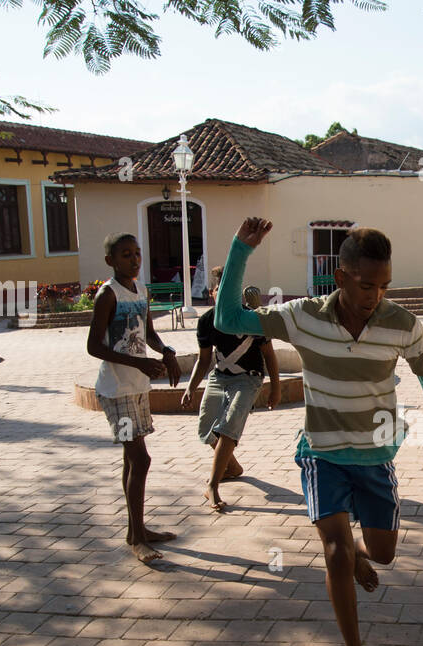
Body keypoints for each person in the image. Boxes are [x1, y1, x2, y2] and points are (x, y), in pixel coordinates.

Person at [216, 217, 423, 646]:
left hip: (375, 455)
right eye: (366, 284)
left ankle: (359, 551)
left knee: (381, 554)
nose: (375, 294)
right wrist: (240, 250)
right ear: (341, 276)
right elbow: (228, 319)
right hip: (322, 453)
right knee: (335, 551)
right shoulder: (303, 316)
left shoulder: (403, 325)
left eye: (384, 285)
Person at [85, 232, 182, 564]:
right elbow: (94, 346)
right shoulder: (106, 295)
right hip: (116, 390)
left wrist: (166, 351)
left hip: (137, 387)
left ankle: (136, 530)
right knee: (140, 459)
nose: (134, 259)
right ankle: (137, 538)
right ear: (111, 260)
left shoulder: (142, 291)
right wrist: (140, 362)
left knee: (133, 459)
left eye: (137, 253)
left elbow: (149, 333)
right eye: (125, 254)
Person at [180, 285, 282, 511]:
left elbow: (269, 354)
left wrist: (276, 388)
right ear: (212, 294)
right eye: (220, 288)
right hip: (220, 377)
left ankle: (213, 485)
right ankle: (232, 467)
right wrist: (191, 387)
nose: (226, 292)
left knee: (228, 426)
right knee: (205, 428)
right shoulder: (207, 320)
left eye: (230, 286)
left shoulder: (253, 318)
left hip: (249, 378)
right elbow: (203, 359)